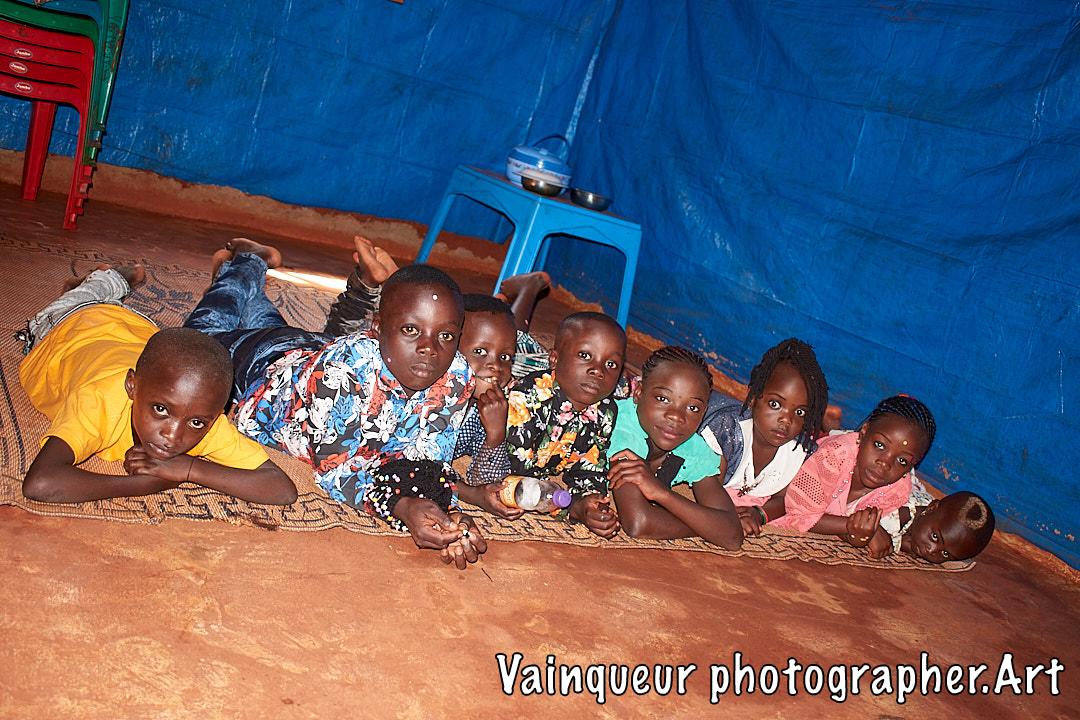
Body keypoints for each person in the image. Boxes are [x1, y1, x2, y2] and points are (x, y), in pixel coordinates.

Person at [182, 239, 484, 566]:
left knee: (267, 322)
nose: (429, 348)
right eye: (411, 329)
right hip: (261, 365)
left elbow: (428, 459)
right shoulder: (343, 373)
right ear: (377, 328)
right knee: (199, 336)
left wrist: (449, 513)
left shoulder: (457, 375)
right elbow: (336, 470)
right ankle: (249, 261)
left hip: (311, 350)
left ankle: (241, 276)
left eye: (445, 335)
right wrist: (401, 506)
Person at [18, 263, 297, 505]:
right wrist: (145, 484)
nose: (173, 436)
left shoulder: (202, 414)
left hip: (139, 327)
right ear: (132, 386)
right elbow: (41, 483)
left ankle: (112, 283)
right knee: (88, 293)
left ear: (216, 415)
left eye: (196, 423)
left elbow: (281, 489)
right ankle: (111, 277)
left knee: (160, 346)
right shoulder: (99, 399)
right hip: (70, 323)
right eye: (161, 409)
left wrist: (190, 469)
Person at [605, 347, 744, 549]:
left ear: (703, 412)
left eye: (693, 408)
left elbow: (732, 536)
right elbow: (638, 523)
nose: (676, 417)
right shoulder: (623, 430)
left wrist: (661, 493)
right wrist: (705, 525)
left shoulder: (692, 446)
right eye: (663, 399)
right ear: (639, 392)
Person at [504, 312, 626, 538]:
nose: (598, 371)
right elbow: (515, 471)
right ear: (555, 359)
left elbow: (591, 464)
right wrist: (570, 506)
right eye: (585, 355)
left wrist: (589, 501)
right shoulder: (527, 397)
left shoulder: (606, 410)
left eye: (611, 364)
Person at [771, 395, 936, 558]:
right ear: (864, 432)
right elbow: (798, 514)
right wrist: (855, 527)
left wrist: (858, 533)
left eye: (902, 461)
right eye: (879, 445)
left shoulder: (897, 489)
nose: (885, 463)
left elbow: (854, 527)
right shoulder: (833, 456)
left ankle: (830, 426)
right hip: (816, 455)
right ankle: (826, 425)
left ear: (912, 466)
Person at [696, 338, 830, 536]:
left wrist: (758, 514)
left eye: (800, 412)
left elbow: (785, 498)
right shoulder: (726, 430)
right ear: (753, 398)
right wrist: (729, 516)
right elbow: (708, 488)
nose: (786, 420)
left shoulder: (800, 452)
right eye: (775, 404)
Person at [881, 488, 995, 563]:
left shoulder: (935, 516)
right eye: (935, 537)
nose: (931, 550)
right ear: (931, 508)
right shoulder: (896, 514)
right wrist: (897, 543)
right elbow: (875, 531)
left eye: (945, 554)